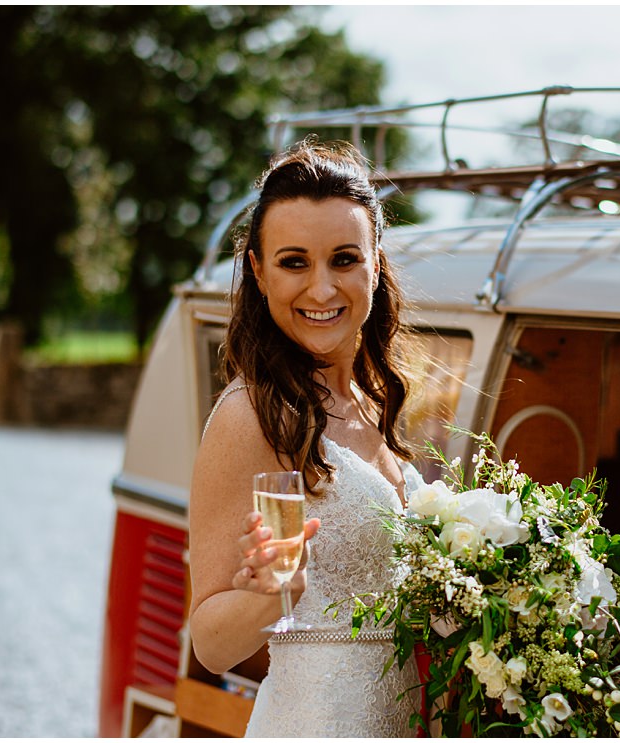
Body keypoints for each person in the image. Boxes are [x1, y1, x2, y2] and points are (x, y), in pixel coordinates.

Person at [188, 138, 424, 737]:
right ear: (259, 272)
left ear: (376, 264)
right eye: (295, 262)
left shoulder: (375, 404)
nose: (321, 290)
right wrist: (273, 595)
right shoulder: (251, 415)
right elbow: (210, 644)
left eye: (343, 259)